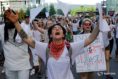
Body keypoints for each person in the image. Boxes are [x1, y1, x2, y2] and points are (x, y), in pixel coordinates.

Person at [4, 9, 100, 79]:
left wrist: (100, 24)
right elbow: (26, 39)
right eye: (54, 28)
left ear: (63, 35)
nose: (57, 29)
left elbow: (91, 38)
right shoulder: (45, 48)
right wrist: (16, 23)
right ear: (50, 35)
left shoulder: (70, 47)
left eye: (59, 28)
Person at [2, 11, 31, 79]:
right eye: (7, 18)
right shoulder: (1, 28)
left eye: (11, 17)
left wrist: (16, 23)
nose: (9, 20)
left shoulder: (23, 27)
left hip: (23, 65)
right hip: (9, 65)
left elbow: (27, 39)